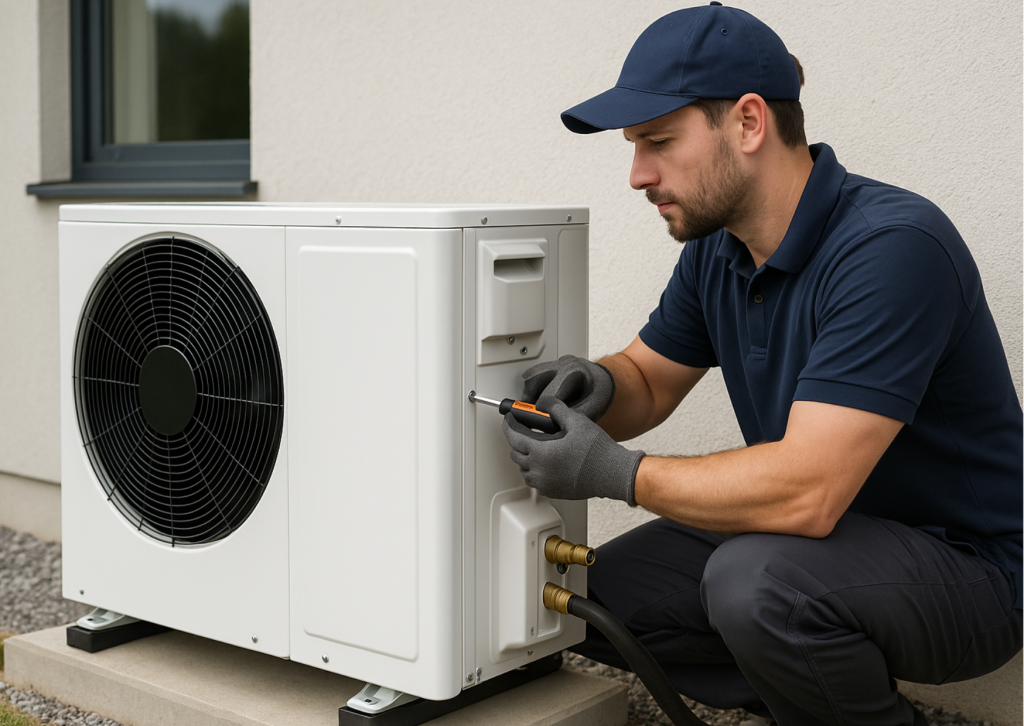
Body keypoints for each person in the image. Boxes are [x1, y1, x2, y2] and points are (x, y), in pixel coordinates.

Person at [500, 4, 1023, 726]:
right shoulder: (717, 250)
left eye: (658, 141)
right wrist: (598, 385)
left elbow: (808, 492)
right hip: (815, 544)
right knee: (584, 602)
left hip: (971, 573)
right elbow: (649, 379)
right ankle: (805, 698)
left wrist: (614, 472)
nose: (637, 175)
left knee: (757, 584)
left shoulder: (893, 248)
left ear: (748, 123)